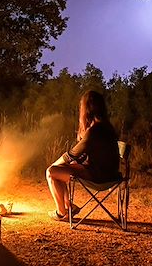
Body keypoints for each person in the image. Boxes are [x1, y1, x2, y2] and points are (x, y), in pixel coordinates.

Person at [46, 90, 119, 221]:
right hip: (110, 174)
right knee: (66, 168)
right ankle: (69, 207)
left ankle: (61, 212)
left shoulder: (95, 130)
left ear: (86, 108)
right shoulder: (107, 127)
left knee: (51, 171)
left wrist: (55, 164)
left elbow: (72, 154)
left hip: (99, 176)